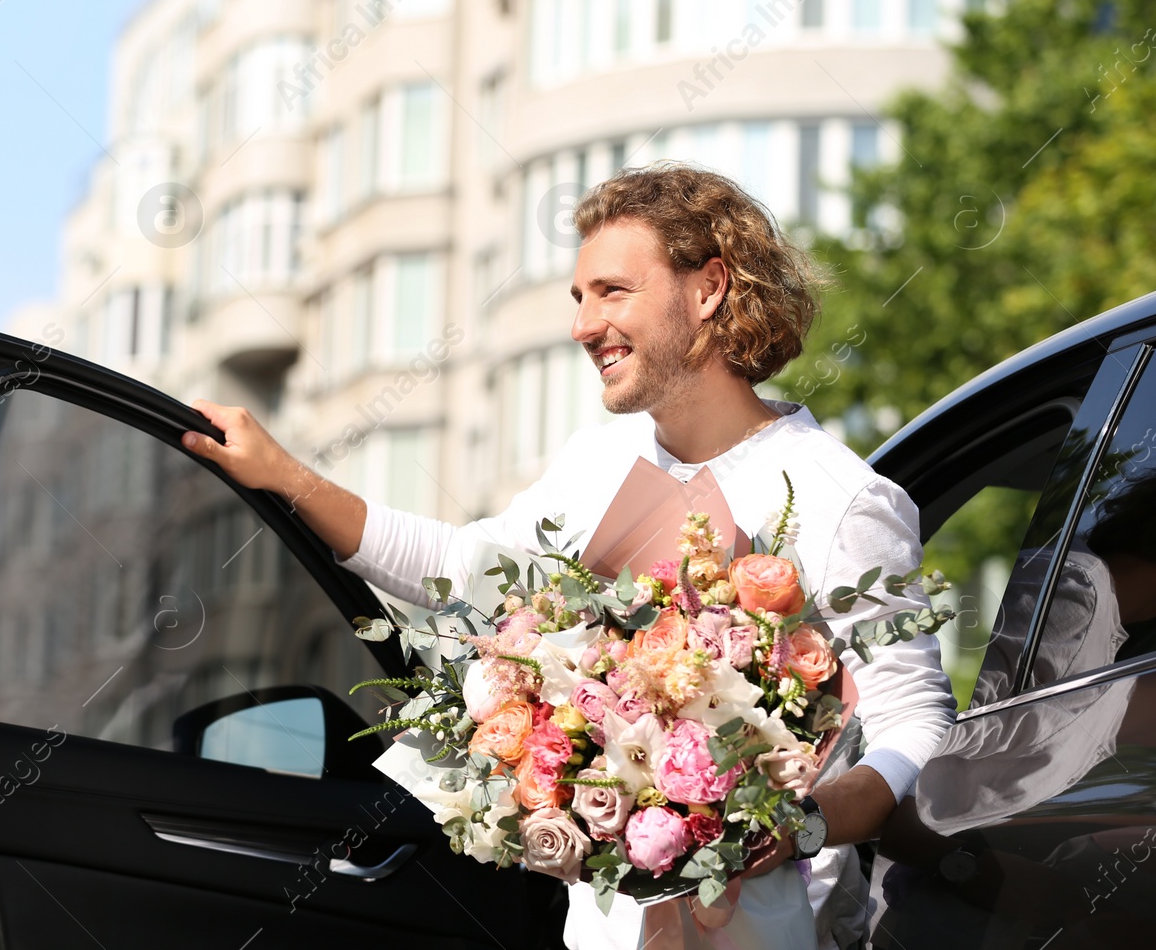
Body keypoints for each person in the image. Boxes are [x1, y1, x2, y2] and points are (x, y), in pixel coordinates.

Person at [181, 163, 957, 950]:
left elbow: (918, 723)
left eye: (612, 291)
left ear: (709, 287)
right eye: (579, 298)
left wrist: (799, 823)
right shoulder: (596, 464)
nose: (585, 325)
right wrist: (284, 475)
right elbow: (462, 570)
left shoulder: (840, 497)